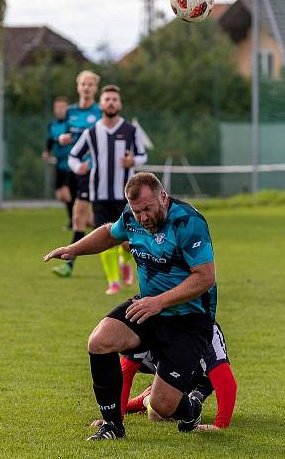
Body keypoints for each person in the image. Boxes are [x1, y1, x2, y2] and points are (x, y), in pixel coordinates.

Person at [42, 172, 217, 440]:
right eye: (137, 211)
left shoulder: (188, 222)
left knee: (161, 406)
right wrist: (74, 248)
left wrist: (159, 302)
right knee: (99, 341)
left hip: (188, 319)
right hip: (148, 307)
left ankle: (191, 408)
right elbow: (109, 234)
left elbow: (205, 277)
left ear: (163, 196)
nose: (143, 217)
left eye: (148, 209)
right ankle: (113, 426)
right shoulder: (131, 217)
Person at [67, 85, 146, 294]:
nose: (111, 102)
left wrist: (133, 161)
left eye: (114, 99)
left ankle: (125, 262)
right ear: (100, 104)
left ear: (119, 104)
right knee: (104, 237)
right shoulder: (91, 133)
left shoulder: (131, 130)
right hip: (99, 194)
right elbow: (73, 156)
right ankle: (113, 282)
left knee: (128, 241)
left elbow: (142, 155)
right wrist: (78, 167)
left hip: (127, 196)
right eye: (107, 99)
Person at [120, 320, 236, 431]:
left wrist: (221, 424)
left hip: (199, 380)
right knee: (157, 410)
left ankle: (189, 403)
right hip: (168, 369)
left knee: (160, 411)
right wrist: (113, 420)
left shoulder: (204, 328)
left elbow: (225, 380)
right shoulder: (146, 326)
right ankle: (148, 397)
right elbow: (123, 374)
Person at [51, 70, 103, 278]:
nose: (87, 88)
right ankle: (70, 264)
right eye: (83, 84)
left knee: (85, 216)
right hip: (73, 169)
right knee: (80, 216)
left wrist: (90, 162)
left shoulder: (100, 112)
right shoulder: (70, 112)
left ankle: (69, 264)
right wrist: (62, 138)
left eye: (90, 84)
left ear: (95, 88)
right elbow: (65, 134)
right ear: (78, 87)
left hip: (94, 170)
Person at [41, 96, 73, 229]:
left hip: (70, 164)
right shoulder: (52, 124)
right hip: (59, 163)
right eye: (57, 108)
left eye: (63, 107)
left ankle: (76, 220)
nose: (60, 110)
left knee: (66, 192)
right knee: (60, 196)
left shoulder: (71, 123)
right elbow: (50, 140)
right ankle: (80, 216)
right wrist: (46, 151)